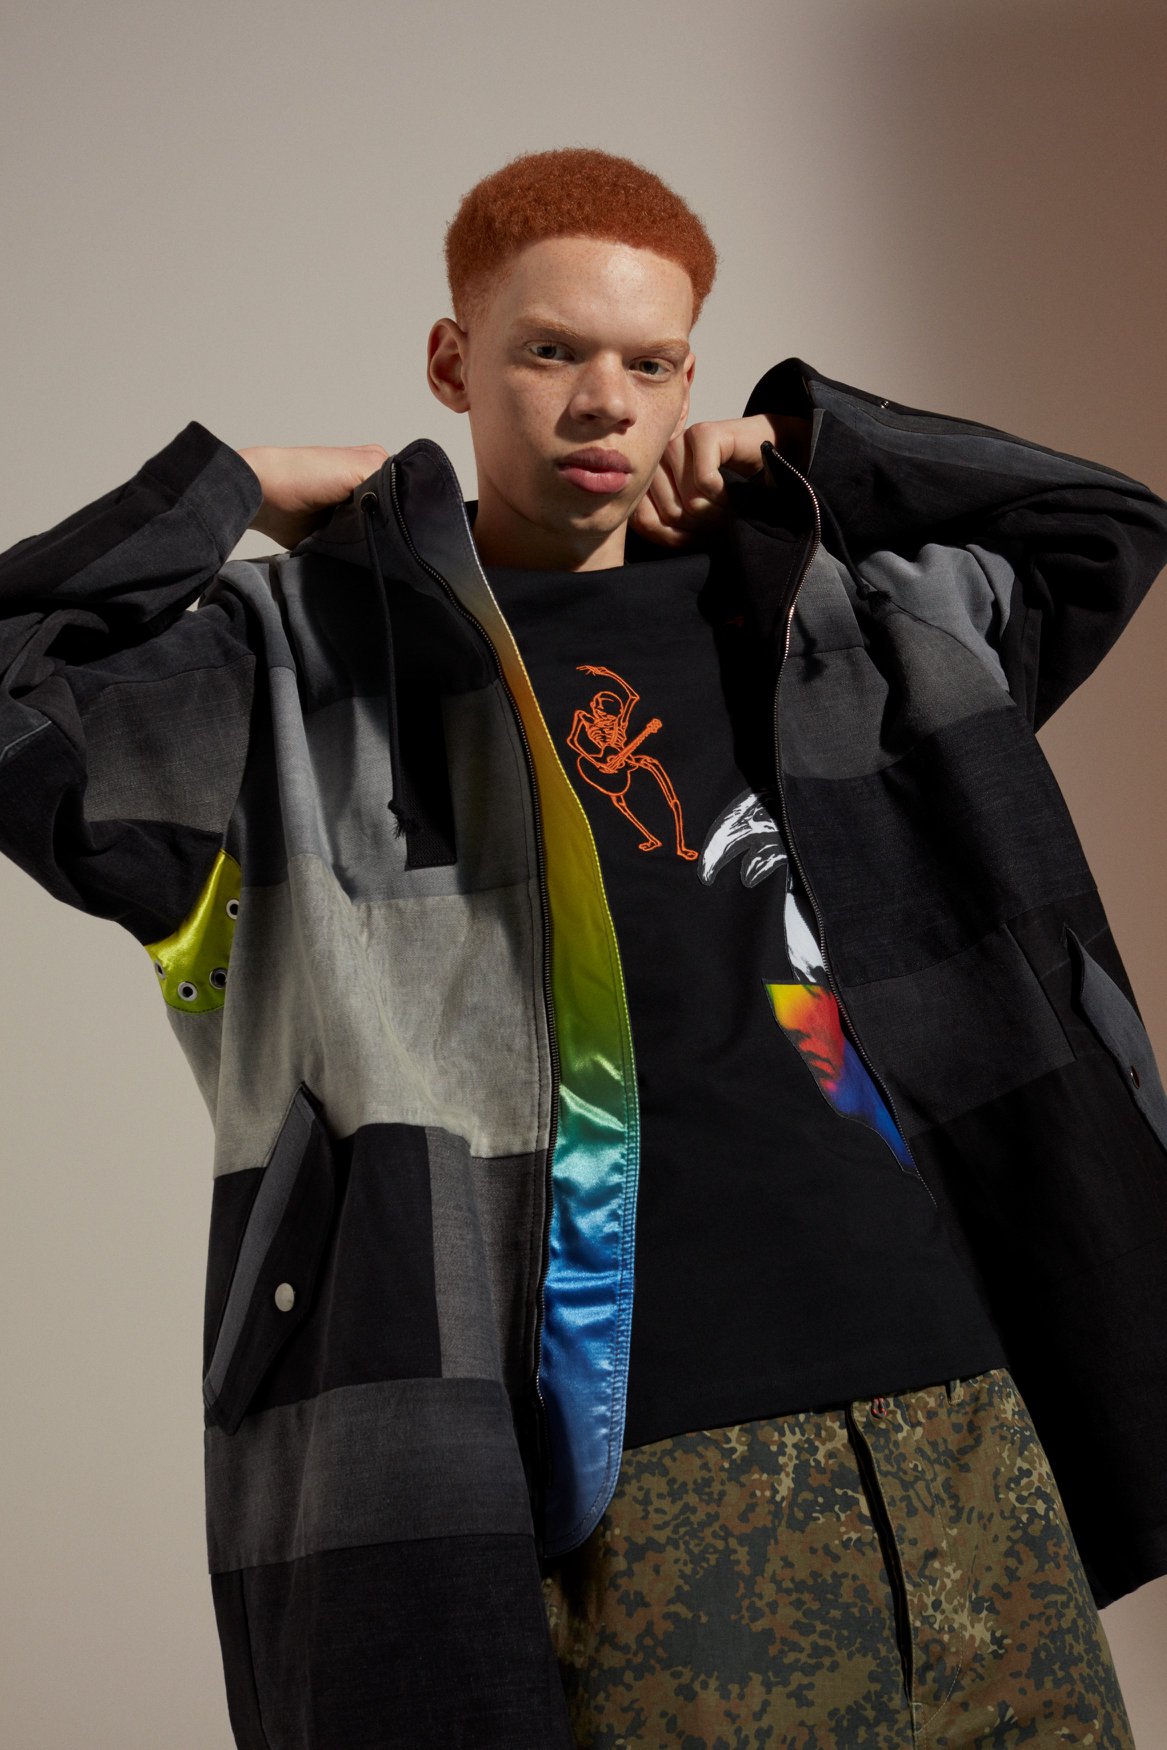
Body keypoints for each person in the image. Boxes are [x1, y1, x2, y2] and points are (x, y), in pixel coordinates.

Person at [0, 145, 1163, 1748]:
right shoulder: (297, 668)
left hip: (953, 1397)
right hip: (638, 1455)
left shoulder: (832, 617)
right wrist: (231, 486)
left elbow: (1106, 527)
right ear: (452, 360)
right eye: (552, 349)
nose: (606, 401)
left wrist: (813, 445)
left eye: (652, 361)